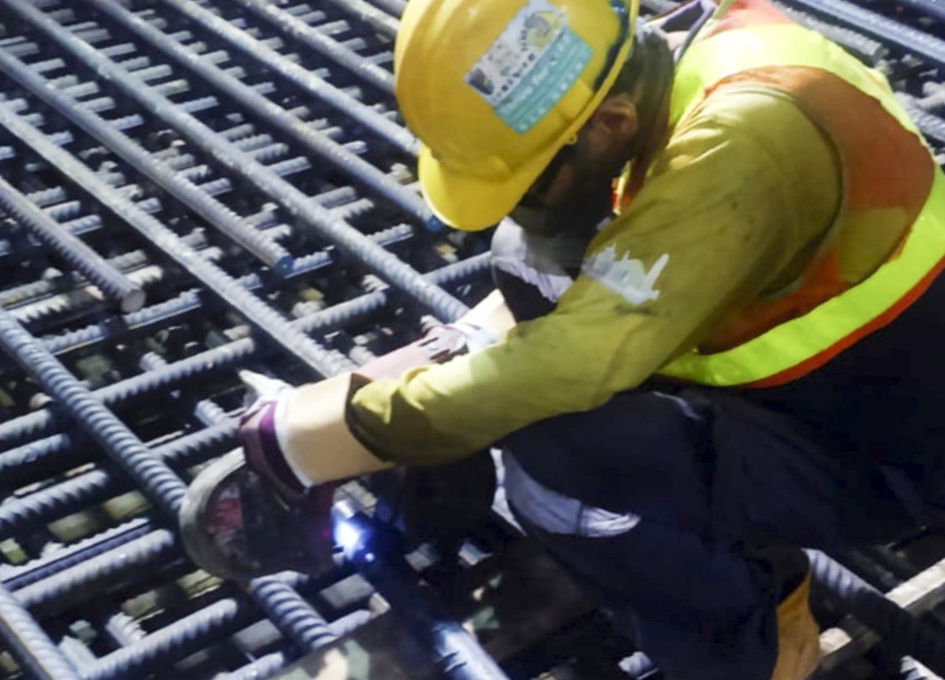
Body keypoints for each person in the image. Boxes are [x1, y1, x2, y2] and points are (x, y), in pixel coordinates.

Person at [180, 0, 945, 677]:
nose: (517, 197)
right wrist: (443, 365)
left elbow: (579, 360)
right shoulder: (670, 61)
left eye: (528, 173)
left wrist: (343, 435)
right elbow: (566, 279)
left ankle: (750, 647)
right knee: (527, 255)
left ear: (608, 123)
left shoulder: (744, 137)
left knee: (558, 468)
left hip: (893, 449)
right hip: (828, 385)